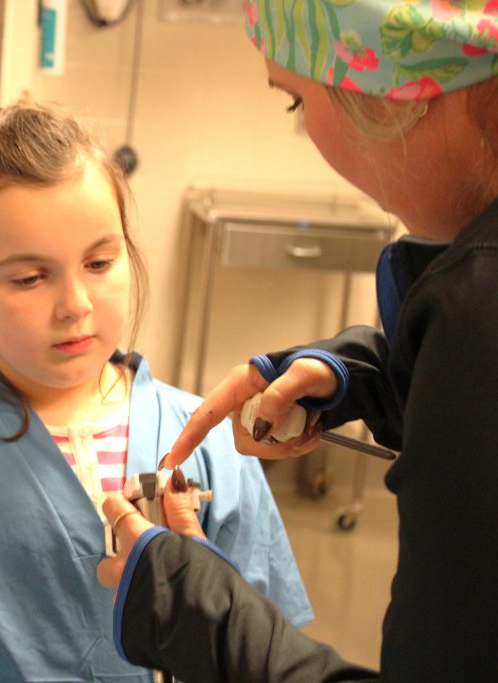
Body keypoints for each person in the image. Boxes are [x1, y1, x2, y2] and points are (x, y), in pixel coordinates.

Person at [0, 103, 312, 682]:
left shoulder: (208, 442)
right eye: (30, 278)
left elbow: (269, 651)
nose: (75, 304)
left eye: (100, 262)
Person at [99, 1, 498, 680]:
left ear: (397, 92)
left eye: (295, 101)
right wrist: (367, 377)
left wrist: (191, 607)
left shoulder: (478, 310)